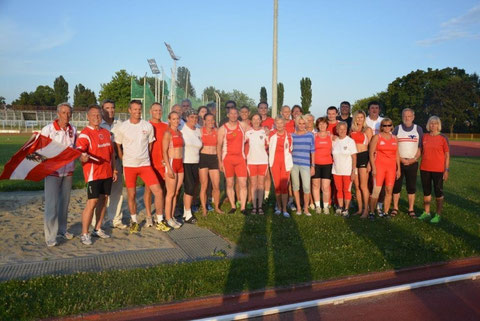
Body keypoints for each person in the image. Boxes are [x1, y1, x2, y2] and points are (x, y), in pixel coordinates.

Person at [115, 100, 170, 233]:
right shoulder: (122, 127)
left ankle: (159, 219)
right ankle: (134, 221)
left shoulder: (147, 126)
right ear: (129, 110)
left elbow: (150, 144)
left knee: (158, 192)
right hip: (129, 166)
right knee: (132, 195)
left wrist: (146, 157)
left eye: (139, 109)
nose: (137, 112)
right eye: (134, 109)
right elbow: (118, 144)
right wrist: (123, 158)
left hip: (145, 165)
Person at [76, 105, 117, 245]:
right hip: (93, 174)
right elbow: (80, 154)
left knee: (104, 200)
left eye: (98, 115)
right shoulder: (84, 134)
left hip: (107, 172)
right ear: (88, 117)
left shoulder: (106, 133)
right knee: (92, 202)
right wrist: (83, 158)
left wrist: (114, 169)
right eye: (93, 115)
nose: (96, 117)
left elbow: (112, 154)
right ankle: (84, 233)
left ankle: (97, 229)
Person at [41, 102, 77, 247]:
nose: (66, 116)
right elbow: (40, 150)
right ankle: (50, 235)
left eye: (69, 113)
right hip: (52, 172)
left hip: (68, 172)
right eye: (63, 112)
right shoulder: (48, 129)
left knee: (64, 203)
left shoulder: (73, 129)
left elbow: (75, 148)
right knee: (51, 204)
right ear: (58, 113)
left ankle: (62, 230)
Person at [97, 99, 127, 229]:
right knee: (100, 194)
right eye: (107, 108)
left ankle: (116, 219)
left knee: (117, 192)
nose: (110, 110)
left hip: (117, 161)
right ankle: (98, 220)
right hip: (102, 163)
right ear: (102, 109)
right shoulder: (98, 124)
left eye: (112, 107)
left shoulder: (120, 124)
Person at [143, 103, 171, 231]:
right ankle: (149, 215)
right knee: (149, 190)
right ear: (151, 111)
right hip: (150, 163)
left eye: (160, 110)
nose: (158, 112)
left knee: (163, 191)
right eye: (155, 110)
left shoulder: (166, 126)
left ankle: (160, 214)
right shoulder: (146, 126)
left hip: (163, 163)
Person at [392, 108, 424, 218]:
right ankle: (395, 207)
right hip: (398, 162)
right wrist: (400, 159)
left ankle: (411, 209)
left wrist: (413, 159)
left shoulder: (418, 129)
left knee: (411, 187)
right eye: (405, 116)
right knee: (396, 186)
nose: (407, 118)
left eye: (409, 116)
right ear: (402, 117)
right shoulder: (397, 129)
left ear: (413, 117)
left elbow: (420, 148)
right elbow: (393, 147)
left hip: (412, 162)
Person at [217, 107, 249, 214]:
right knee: (230, 183)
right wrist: (220, 162)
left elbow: (254, 132)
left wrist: (266, 130)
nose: (234, 115)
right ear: (228, 115)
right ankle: (233, 206)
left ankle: (243, 207)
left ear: (237, 114)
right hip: (228, 159)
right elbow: (219, 146)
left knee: (243, 183)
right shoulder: (223, 128)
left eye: (235, 113)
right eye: (231, 113)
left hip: (240, 159)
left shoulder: (242, 125)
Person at [418, 116, 450, 224]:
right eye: (431, 123)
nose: (433, 125)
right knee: (426, 192)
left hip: (438, 169)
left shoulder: (443, 138)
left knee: (438, 192)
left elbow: (447, 155)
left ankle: (438, 214)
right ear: (428, 125)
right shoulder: (424, 137)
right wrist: (411, 159)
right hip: (425, 168)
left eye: (435, 123)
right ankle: (426, 212)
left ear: (438, 125)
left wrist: (446, 170)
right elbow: (420, 151)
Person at [368, 118, 400, 220]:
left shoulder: (395, 138)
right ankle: (372, 212)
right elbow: (371, 153)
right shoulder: (377, 137)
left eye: (389, 125)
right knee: (376, 190)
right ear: (381, 127)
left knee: (389, 190)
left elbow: (397, 154)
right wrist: (373, 168)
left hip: (391, 168)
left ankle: (385, 212)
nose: (387, 127)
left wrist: (398, 169)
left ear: (392, 126)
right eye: (384, 125)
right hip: (379, 167)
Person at [162, 111, 185, 229]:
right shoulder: (168, 133)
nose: (176, 121)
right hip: (171, 163)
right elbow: (164, 151)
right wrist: (168, 168)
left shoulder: (179, 132)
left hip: (180, 164)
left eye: (178, 119)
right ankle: (168, 218)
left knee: (176, 192)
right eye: (174, 119)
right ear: (169, 120)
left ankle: (172, 215)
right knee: (170, 193)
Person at [350, 110, 373, 218]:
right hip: (354, 158)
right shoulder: (352, 130)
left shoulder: (367, 130)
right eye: (357, 117)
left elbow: (372, 148)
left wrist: (370, 162)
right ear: (354, 118)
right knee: (357, 186)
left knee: (364, 186)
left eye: (361, 117)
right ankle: (359, 209)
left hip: (364, 157)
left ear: (364, 118)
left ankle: (366, 210)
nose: (359, 119)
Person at [291, 115, 315, 216]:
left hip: (306, 164)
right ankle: (299, 208)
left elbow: (313, 151)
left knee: (306, 187)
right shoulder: (291, 135)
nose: (301, 125)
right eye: (299, 123)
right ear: (296, 123)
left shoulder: (310, 135)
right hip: (294, 164)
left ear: (306, 124)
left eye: (303, 123)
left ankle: (306, 208)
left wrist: (313, 166)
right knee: (296, 186)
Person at [331, 122, 357, 217]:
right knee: (339, 189)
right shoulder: (334, 141)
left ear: (347, 130)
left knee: (346, 190)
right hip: (336, 170)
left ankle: (346, 209)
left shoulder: (350, 141)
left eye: (344, 129)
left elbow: (354, 157)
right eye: (340, 129)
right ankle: (340, 207)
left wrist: (353, 171)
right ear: (337, 130)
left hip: (347, 171)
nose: (342, 131)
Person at [199, 113, 223, 214]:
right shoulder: (200, 131)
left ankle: (217, 207)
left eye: (212, 120)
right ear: (204, 121)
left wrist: (220, 161)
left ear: (214, 121)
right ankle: (204, 208)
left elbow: (219, 147)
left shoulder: (217, 131)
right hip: (203, 158)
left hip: (213, 158)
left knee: (216, 185)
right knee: (204, 185)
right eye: (208, 120)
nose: (210, 122)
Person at [269, 117, 293, 217]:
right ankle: (278, 207)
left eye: (281, 123)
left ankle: (284, 209)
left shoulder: (289, 136)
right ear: (275, 124)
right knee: (277, 186)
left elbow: (291, 149)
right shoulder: (271, 134)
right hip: (274, 163)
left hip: (285, 164)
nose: (279, 125)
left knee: (284, 187)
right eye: (277, 123)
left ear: (284, 124)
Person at [181, 109, 202, 224]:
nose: (194, 119)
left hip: (196, 162)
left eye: (196, 117)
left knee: (192, 187)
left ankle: (185, 211)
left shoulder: (198, 130)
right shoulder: (182, 129)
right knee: (189, 188)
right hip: (185, 161)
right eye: (192, 117)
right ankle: (188, 214)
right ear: (187, 118)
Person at [245, 114, 269, 214]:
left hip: (263, 161)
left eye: (258, 119)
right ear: (251, 120)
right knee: (253, 184)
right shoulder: (248, 133)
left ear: (260, 120)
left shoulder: (265, 132)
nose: (256, 121)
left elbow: (269, 145)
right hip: (251, 162)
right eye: (254, 119)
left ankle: (260, 207)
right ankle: (254, 207)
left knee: (261, 184)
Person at [312, 117, 333, 215]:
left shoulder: (331, 137)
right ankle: (317, 206)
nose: (322, 126)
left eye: (324, 124)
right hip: (316, 164)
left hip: (327, 164)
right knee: (316, 185)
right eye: (320, 124)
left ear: (326, 125)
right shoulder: (314, 136)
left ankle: (325, 206)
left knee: (325, 187)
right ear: (317, 126)